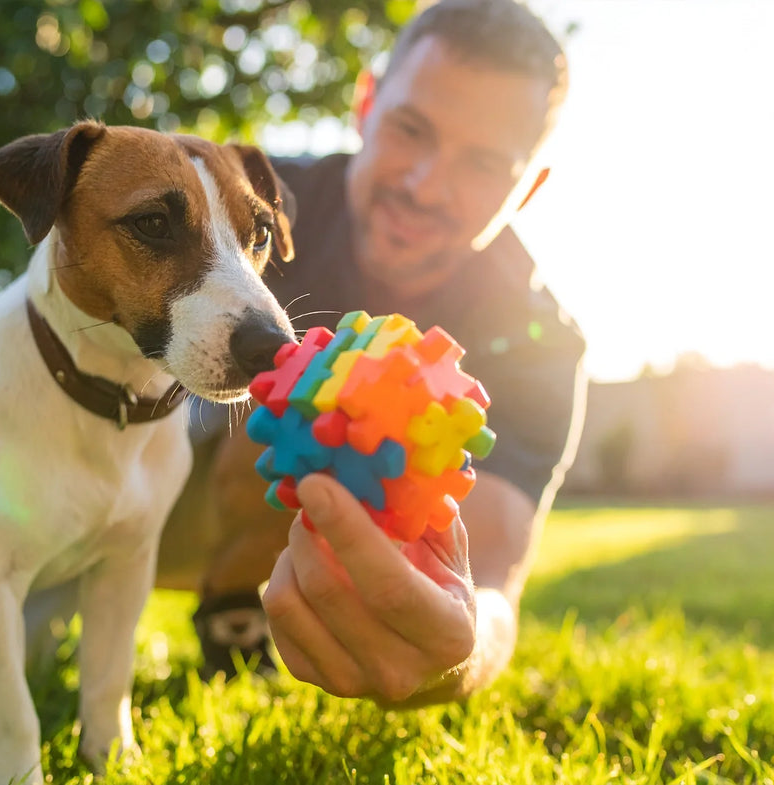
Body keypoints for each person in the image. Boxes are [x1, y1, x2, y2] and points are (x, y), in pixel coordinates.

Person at [156, 0, 587, 707]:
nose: (425, 185)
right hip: (148, 483)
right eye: (410, 130)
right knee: (290, 383)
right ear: (366, 104)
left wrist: (457, 650)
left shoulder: (541, 339)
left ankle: (241, 647)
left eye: (482, 165)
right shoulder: (245, 209)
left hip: (356, 528)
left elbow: (491, 576)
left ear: (528, 189)